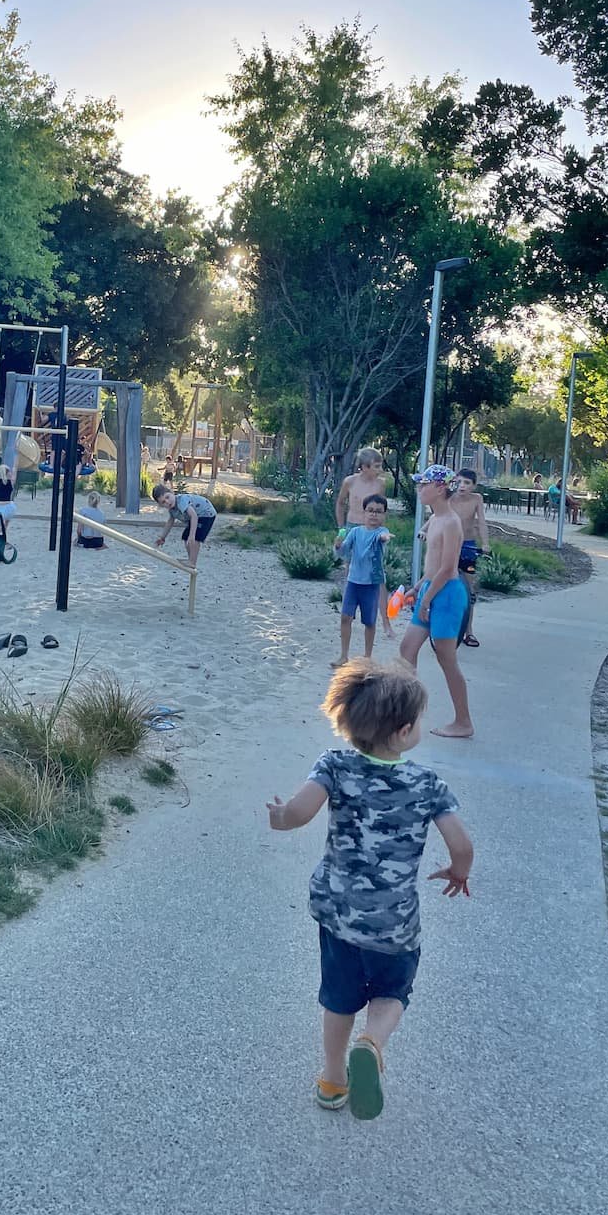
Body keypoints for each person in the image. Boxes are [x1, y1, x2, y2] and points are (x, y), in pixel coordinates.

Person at [266, 657, 474, 1120]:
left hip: (340, 917)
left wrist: (279, 818)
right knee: (391, 994)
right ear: (403, 733)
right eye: (419, 720)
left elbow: (298, 813)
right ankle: (373, 1043)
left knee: (338, 998)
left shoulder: (335, 766)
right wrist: (459, 873)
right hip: (394, 923)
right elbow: (461, 844)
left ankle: (332, 1078)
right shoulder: (428, 784)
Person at [399, 465, 475, 739]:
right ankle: (407, 713)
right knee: (407, 648)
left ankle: (463, 721)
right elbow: (432, 568)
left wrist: (426, 600)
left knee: (446, 658)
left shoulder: (452, 522)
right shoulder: (436, 520)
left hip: (447, 595)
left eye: (424, 485)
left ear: (440, 488)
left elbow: (447, 569)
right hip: (432, 590)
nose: (420, 489)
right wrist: (417, 588)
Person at [336, 447, 392, 637]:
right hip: (353, 527)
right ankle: (348, 613)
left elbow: (381, 508)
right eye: (376, 466)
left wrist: (382, 532)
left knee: (378, 574)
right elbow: (340, 503)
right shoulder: (350, 482)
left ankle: (385, 620)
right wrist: (342, 529)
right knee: (349, 570)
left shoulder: (380, 484)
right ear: (364, 467)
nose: (379, 469)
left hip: (372, 530)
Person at [332, 494, 392, 666]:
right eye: (370, 511)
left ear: (384, 515)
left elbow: (384, 537)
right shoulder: (355, 532)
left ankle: (367, 657)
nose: (374, 515)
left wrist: (385, 538)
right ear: (364, 513)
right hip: (353, 582)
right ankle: (344, 655)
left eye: (378, 512)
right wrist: (337, 546)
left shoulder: (382, 532)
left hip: (372, 584)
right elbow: (343, 552)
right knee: (345, 617)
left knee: (369, 621)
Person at [454, 468, 491, 648]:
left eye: (467, 483)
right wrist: (425, 530)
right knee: (442, 583)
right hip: (450, 544)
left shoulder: (476, 499)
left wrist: (485, 544)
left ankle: (469, 632)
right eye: (459, 482)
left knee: (469, 591)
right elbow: (438, 516)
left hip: (468, 544)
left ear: (474, 486)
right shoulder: (449, 498)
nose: (462, 486)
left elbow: (481, 522)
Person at [153, 485, 215, 568]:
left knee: (195, 539)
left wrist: (192, 535)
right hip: (197, 516)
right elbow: (170, 522)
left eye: (167, 497)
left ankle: (192, 562)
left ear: (172, 492)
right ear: (161, 505)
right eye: (163, 502)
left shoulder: (181, 501)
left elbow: (194, 516)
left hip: (206, 513)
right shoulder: (172, 510)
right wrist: (162, 537)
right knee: (186, 538)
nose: (167, 502)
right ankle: (191, 560)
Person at [0, 462, 18, 544]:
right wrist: (17, 454)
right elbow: (15, 467)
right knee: (4, 526)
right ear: (7, 473)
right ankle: (4, 540)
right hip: (10, 507)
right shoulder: (11, 482)